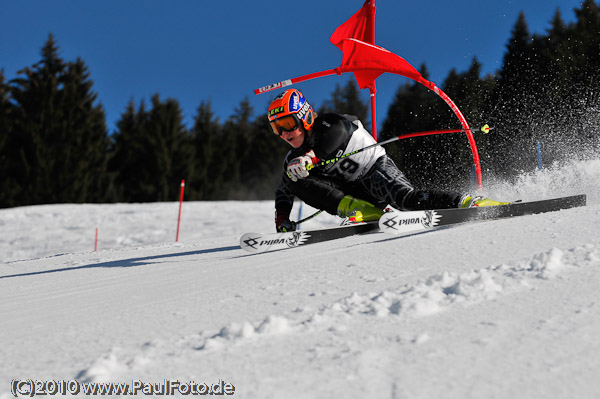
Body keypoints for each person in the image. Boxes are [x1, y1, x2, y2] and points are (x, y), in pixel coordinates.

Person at [268, 88, 507, 232]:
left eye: (288, 124)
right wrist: (282, 219)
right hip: (354, 191)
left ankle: (467, 202)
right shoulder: (294, 158)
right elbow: (285, 189)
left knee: (406, 201)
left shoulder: (327, 124)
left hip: (374, 170)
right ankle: (363, 211)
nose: (284, 134)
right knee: (292, 176)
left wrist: (312, 156)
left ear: (304, 117)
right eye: (276, 129)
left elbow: (338, 134)